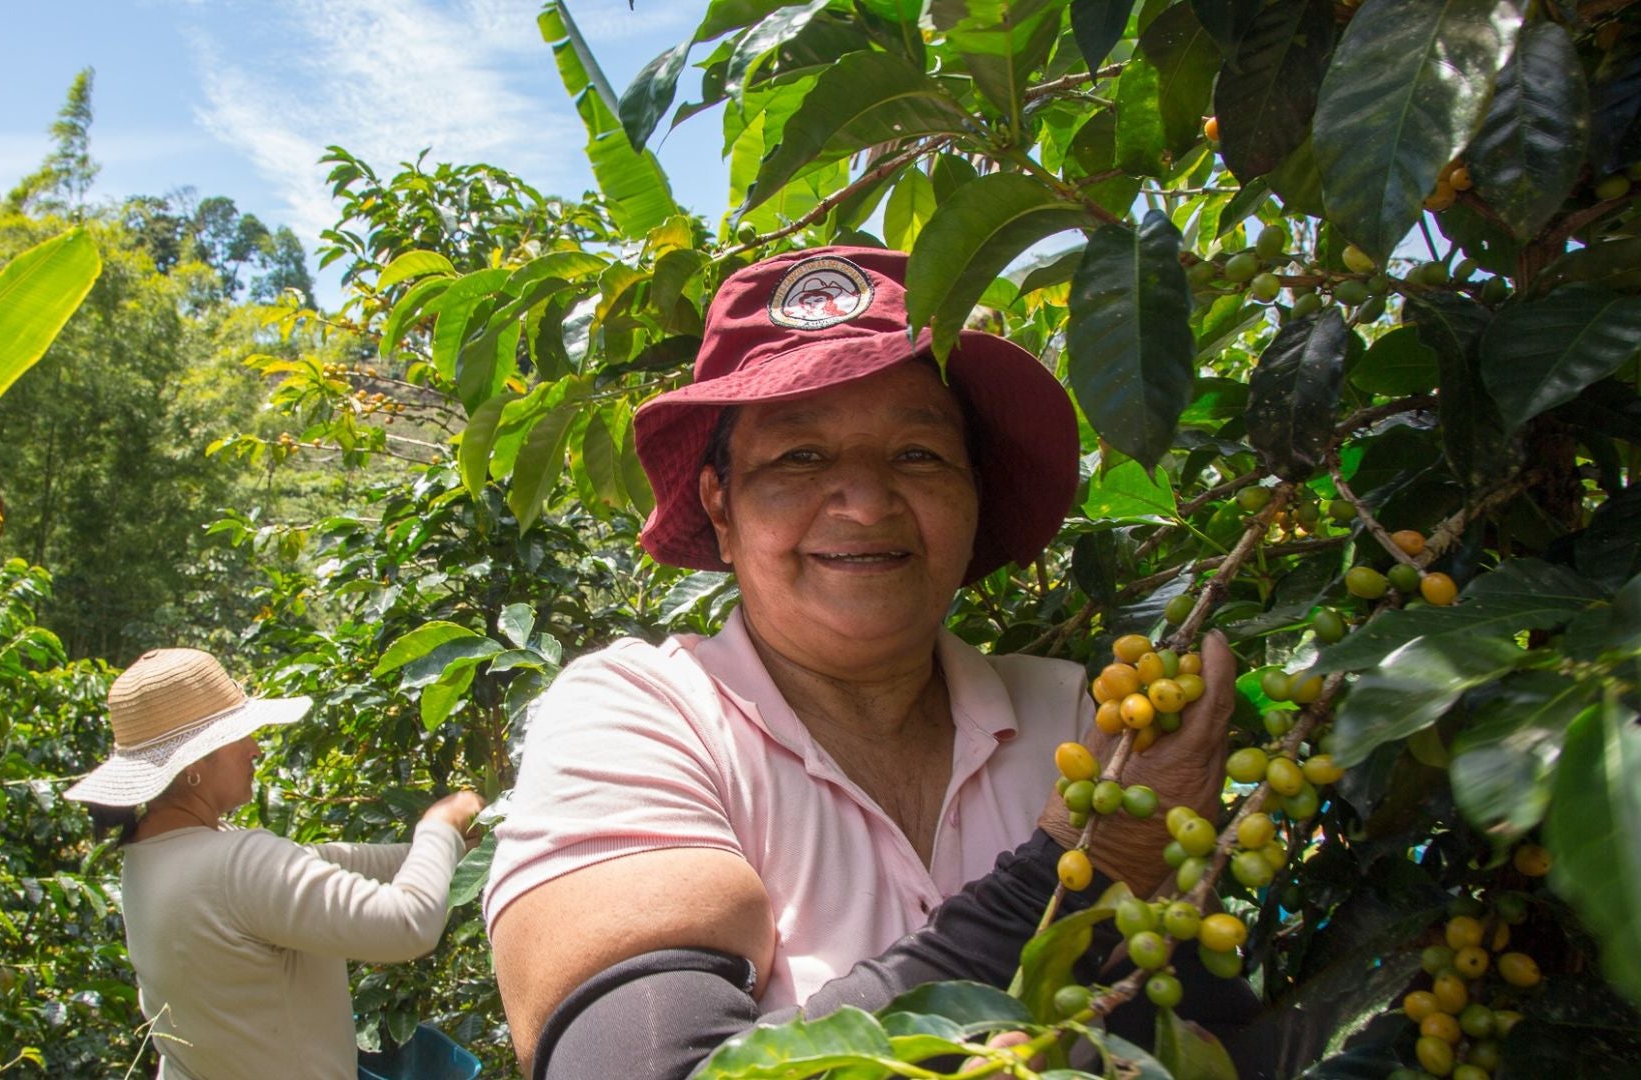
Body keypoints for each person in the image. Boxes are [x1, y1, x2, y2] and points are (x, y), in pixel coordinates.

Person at [485, 248, 1251, 1078]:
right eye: (800, 458)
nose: (866, 501)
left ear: (973, 489)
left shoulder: (1081, 720)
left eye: (917, 455)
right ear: (720, 501)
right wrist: (1090, 867)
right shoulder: (641, 718)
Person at [64, 647, 485, 1080]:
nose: (256, 749)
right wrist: (439, 827)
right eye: (239, 736)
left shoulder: (149, 858)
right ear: (193, 763)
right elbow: (406, 924)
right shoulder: (233, 864)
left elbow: (316, 865)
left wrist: (461, 853)